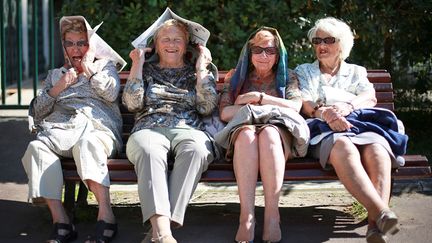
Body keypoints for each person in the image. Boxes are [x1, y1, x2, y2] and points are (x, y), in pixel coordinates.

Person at [295, 17, 407, 243]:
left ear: (342, 45)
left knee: (377, 149)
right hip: (325, 130)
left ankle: (375, 228)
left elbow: (369, 96)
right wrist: (325, 112)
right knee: (344, 145)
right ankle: (382, 214)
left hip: (360, 125)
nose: (321, 45)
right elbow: (305, 103)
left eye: (328, 40)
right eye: (317, 41)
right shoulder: (305, 71)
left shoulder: (356, 71)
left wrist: (348, 106)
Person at [21, 16, 126, 243]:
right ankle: (62, 222)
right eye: (70, 43)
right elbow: (37, 113)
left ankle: (106, 217)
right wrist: (58, 88)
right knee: (37, 147)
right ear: (64, 46)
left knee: (87, 143)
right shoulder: (54, 75)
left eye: (82, 43)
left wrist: (89, 70)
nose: (75, 48)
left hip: (98, 130)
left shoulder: (105, 67)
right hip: (61, 131)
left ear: (92, 47)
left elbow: (110, 94)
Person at [122, 18, 218, 243]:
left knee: (197, 150)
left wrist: (201, 68)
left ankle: (158, 233)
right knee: (149, 151)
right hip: (149, 127)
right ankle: (165, 234)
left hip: (188, 128)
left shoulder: (200, 71)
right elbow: (132, 104)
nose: (172, 44)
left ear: (187, 45)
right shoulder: (145, 69)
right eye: (166, 39)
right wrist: (137, 64)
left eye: (178, 39)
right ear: (156, 44)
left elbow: (206, 107)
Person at [216, 27, 309, 243]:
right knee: (248, 135)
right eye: (258, 50)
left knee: (268, 133)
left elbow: (295, 106)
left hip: (278, 136)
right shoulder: (236, 77)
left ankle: (272, 217)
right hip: (244, 135)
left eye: (270, 50)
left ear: (278, 55)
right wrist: (249, 106)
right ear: (250, 53)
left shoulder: (288, 76)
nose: (263, 55)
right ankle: (246, 218)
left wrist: (258, 98)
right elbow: (225, 112)